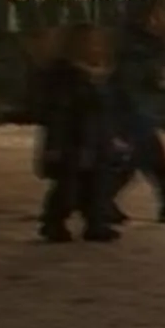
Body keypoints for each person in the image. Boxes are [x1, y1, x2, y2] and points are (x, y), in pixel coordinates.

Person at [106, 0, 165, 224]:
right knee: (138, 158)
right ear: (150, 14)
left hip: (136, 111)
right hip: (129, 111)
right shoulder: (136, 44)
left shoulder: (147, 41)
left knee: (146, 157)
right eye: (163, 10)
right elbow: (134, 79)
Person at [32, 58, 120, 243]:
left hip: (95, 143)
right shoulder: (69, 82)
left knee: (96, 186)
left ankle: (95, 224)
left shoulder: (101, 83)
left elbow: (104, 116)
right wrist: (55, 146)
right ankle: (54, 223)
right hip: (74, 144)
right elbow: (60, 117)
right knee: (69, 188)